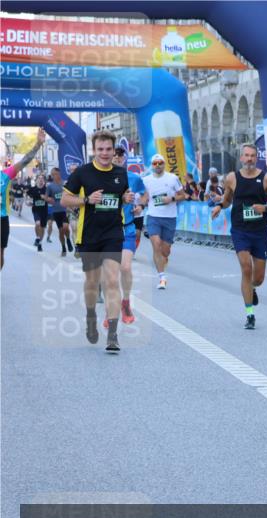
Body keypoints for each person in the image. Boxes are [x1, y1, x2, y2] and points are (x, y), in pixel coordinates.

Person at [60, 130, 136, 352]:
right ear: (94, 150)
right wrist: (86, 199)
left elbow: (121, 195)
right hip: (89, 236)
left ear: (114, 151)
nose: (104, 153)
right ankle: (91, 315)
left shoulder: (121, 173)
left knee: (112, 281)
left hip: (113, 234)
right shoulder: (83, 173)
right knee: (92, 283)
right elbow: (64, 199)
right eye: (100, 149)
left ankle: (112, 335)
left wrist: (126, 198)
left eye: (108, 149)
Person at [211, 144, 267, 329]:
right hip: (240, 230)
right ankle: (250, 314)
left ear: (256, 158)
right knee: (245, 268)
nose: (249, 159)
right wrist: (219, 206)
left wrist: (264, 208)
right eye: (246, 156)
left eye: (252, 156)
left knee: (258, 278)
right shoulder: (232, 178)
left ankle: (253, 288)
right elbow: (226, 200)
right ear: (241, 158)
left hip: (260, 231)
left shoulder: (265, 179)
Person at [110, 149, 149, 327]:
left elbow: (145, 194)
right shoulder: (101, 178)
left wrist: (140, 205)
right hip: (108, 230)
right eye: (114, 156)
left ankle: (125, 302)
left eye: (120, 156)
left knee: (125, 268)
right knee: (110, 275)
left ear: (124, 159)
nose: (117, 159)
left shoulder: (134, 177)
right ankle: (111, 311)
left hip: (127, 229)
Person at [1, 128, 45, 268]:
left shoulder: (5, 175)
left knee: (0, 254)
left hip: (2, 219)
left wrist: (38, 144)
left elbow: (26, 160)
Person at [142, 153, 186, 291]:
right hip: (153, 217)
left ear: (164, 164)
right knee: (156, 244)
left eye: (160, 163)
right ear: (151, 165)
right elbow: (144, 197)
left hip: (169, 218)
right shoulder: (146, 180)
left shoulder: (172, 178)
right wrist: (139, 204)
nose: (158, 165)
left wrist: (171, 199)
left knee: (165, 251)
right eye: (155, 163)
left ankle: (163, 259)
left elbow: (183, 195)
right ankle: (162, 277)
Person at [44, 168, 72, 257]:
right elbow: (46, 197)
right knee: (60, 231)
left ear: (59, 173)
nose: (54, 176)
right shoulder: (50, 186)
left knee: (65, 227)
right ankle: (63, 247)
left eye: (55, 173)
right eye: (52, 174)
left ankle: (68, 239)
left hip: (65, 210)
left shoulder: (65, 183)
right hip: (56, 211)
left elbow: (72, 193)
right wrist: (48, 199)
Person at [28, 175, 50, 252]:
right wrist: (28, 202)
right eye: (39, 178)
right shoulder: (33, 189)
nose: (40, 180)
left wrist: (46, 198)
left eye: (42, 179)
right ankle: (37, 238)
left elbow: (51, 199)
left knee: (43, 227)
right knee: (38, 224)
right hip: (36, 210)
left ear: (44, 181)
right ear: (36, 180)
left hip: (44, 211)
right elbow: (27, 196)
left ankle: (40, 243)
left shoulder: (47, 189)